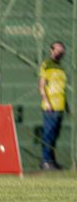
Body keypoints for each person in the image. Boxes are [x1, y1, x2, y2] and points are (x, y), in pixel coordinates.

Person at [38, 41, 66, 170]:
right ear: (52, 50)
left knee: (55, 135)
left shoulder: (61, 67)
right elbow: (42, 85)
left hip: (60, 106)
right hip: (50, 107)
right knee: (48, 134)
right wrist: (47, 102)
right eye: (58, 49)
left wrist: (66, 105)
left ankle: (52, 161)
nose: (60, 52)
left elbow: (61, 88)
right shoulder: (46, 64)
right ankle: (45, 161)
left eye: (62, 50)